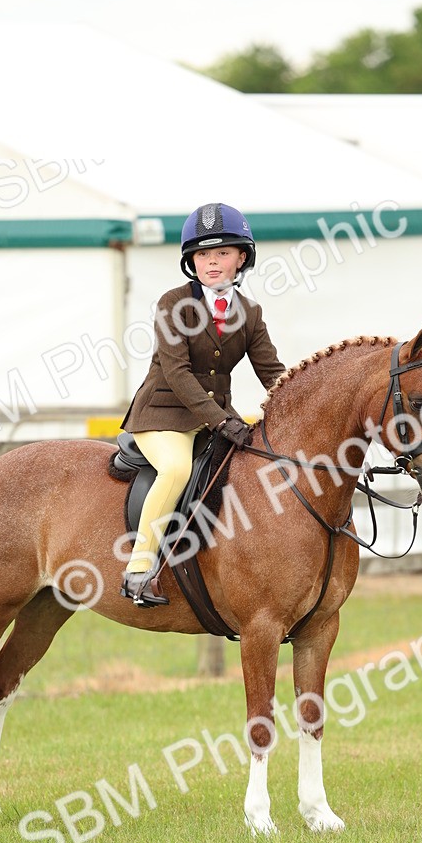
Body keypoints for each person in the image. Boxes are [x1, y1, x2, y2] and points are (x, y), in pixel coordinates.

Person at [119, 202, 285, 607]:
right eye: (203, 255)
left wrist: (302, 402)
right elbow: (176, 374)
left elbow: (272, 372)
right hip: (163, 415)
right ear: (191, 261)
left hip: (215, 420)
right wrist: (220, 421)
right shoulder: (172, 303)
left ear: (241, 258)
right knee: (176, 470)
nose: (212, 262)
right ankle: (139, 570)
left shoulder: (249, 312)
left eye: (222, 253)